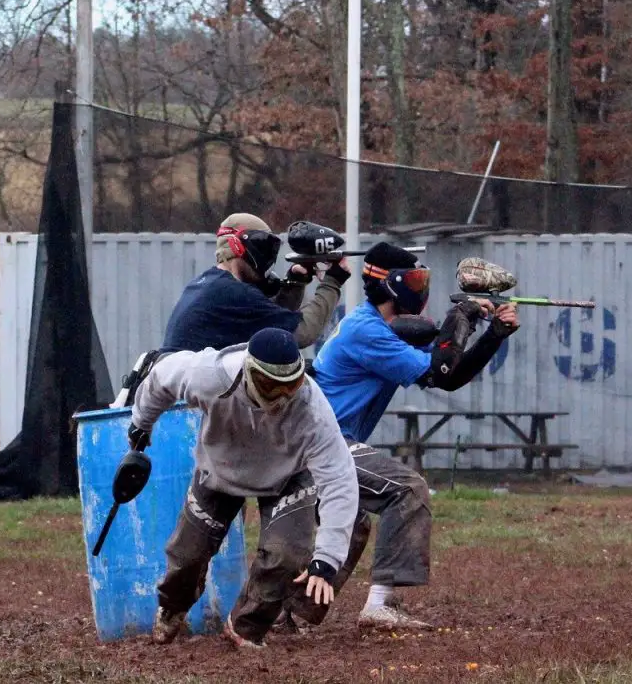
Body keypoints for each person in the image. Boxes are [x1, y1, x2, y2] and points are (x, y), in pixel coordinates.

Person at [275, 243, 520, 632]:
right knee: (406, 489)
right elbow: (442, 372)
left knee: (352, 521)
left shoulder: (376, 325)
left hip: (318, 439)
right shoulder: (368, 332)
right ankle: (377, 606)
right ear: (394, 286)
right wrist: (463, 317)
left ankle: (293, 617)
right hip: (320, 443)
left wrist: (492, 334)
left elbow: (448, 369)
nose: (423, 288)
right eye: (418, 280)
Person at [128, 327, 360, 649]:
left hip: (288, 476)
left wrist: (327, 558)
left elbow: (339, 478)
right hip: (220, 469)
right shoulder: (209, 375)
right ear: (249, 373)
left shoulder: (311, 406)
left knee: (286, 556)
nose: (281, 398)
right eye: (271, 386)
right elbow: (160, 378)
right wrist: (141, 423)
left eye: (290, 386)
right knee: (187, 557)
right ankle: (173, 607)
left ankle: (246, 626)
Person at [160, 212, 350, 354]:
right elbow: (303, 332)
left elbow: (268, 323)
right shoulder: (232, 292)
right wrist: (332, 282)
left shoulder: (207, 284)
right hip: (188, 401)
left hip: (178, 395)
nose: (268, 258)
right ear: (237, 246)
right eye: (263, 248)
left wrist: (295, 283)